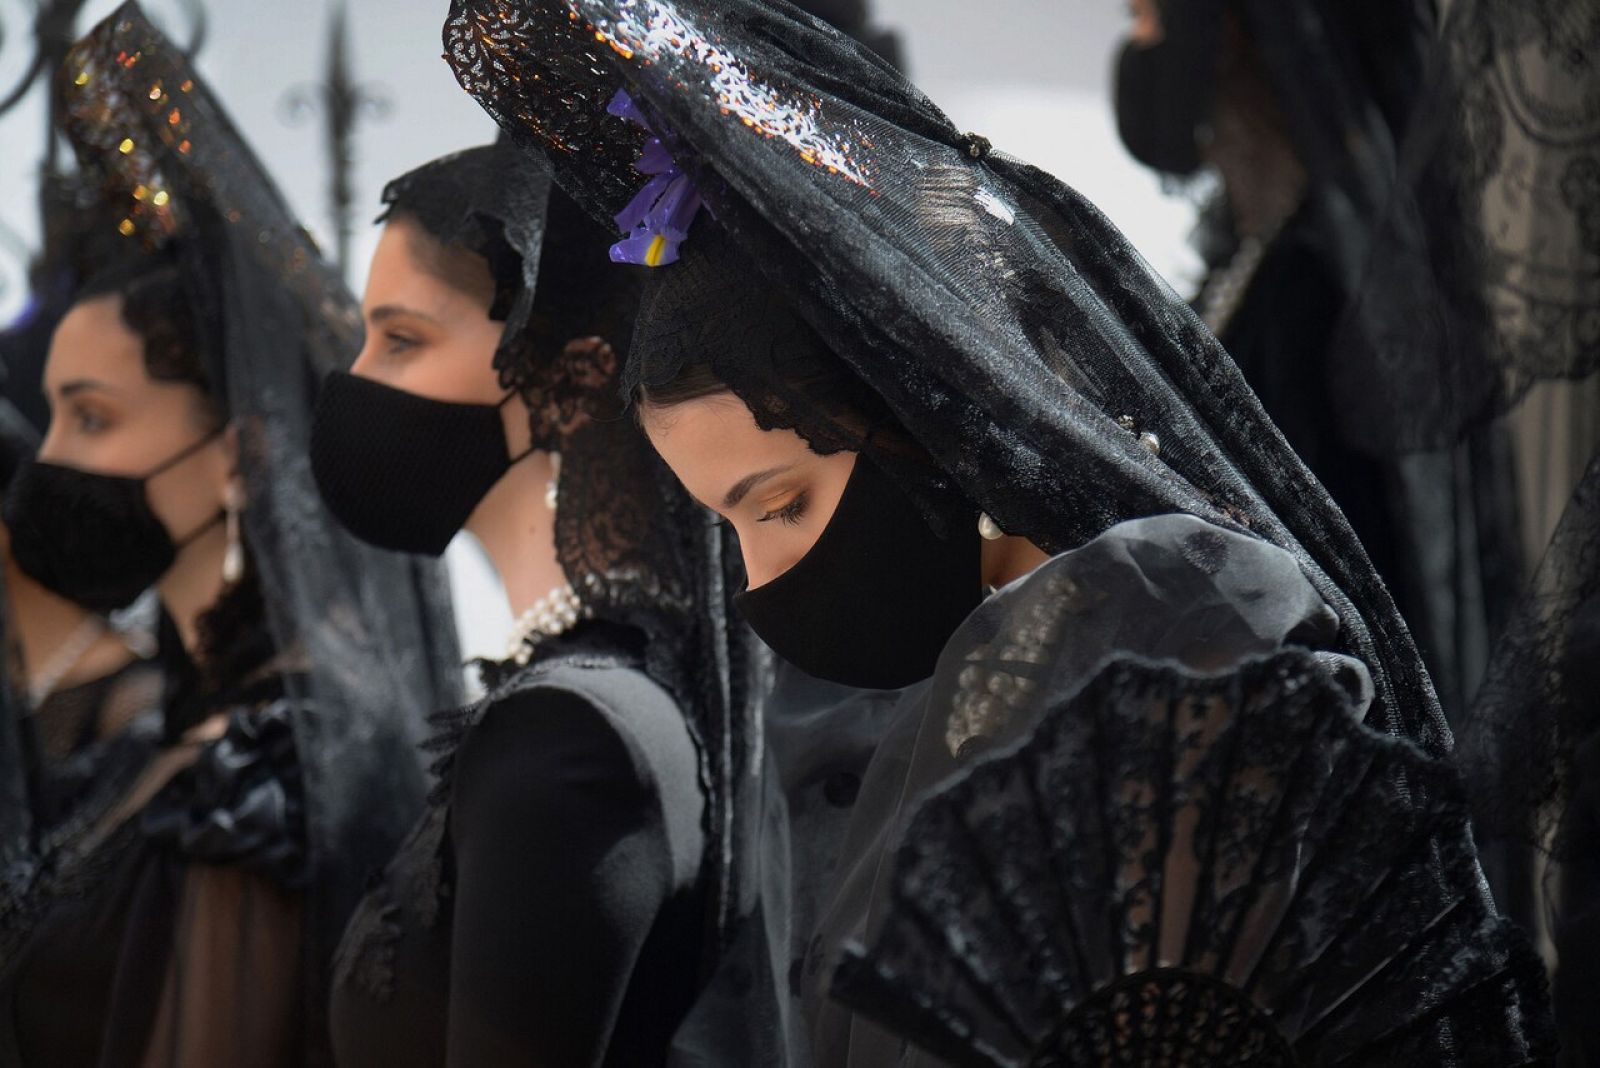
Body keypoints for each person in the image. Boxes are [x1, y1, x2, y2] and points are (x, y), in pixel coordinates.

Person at [441, 0, 1553, 1061]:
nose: (755, 585)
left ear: (938, 420)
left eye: (778, 505)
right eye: (723, 527)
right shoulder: (896, 706)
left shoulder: (1174, 639)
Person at [0, 7, 460, 1064]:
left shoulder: (273, 769)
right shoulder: (195, 728)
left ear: (236, 454)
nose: (53, 459)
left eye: (96, 417)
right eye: (57, 416)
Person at [309, 141, 756, 1065]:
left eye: (401, 340)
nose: (354, 382)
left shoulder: (568, 734)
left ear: (562, 379)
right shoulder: (582, 702)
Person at [1112, 0, 1524, 723]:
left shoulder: (1316, 300)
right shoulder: (1258, 259)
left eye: (1148, 18)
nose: (1139, 43)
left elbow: (1338, 588)